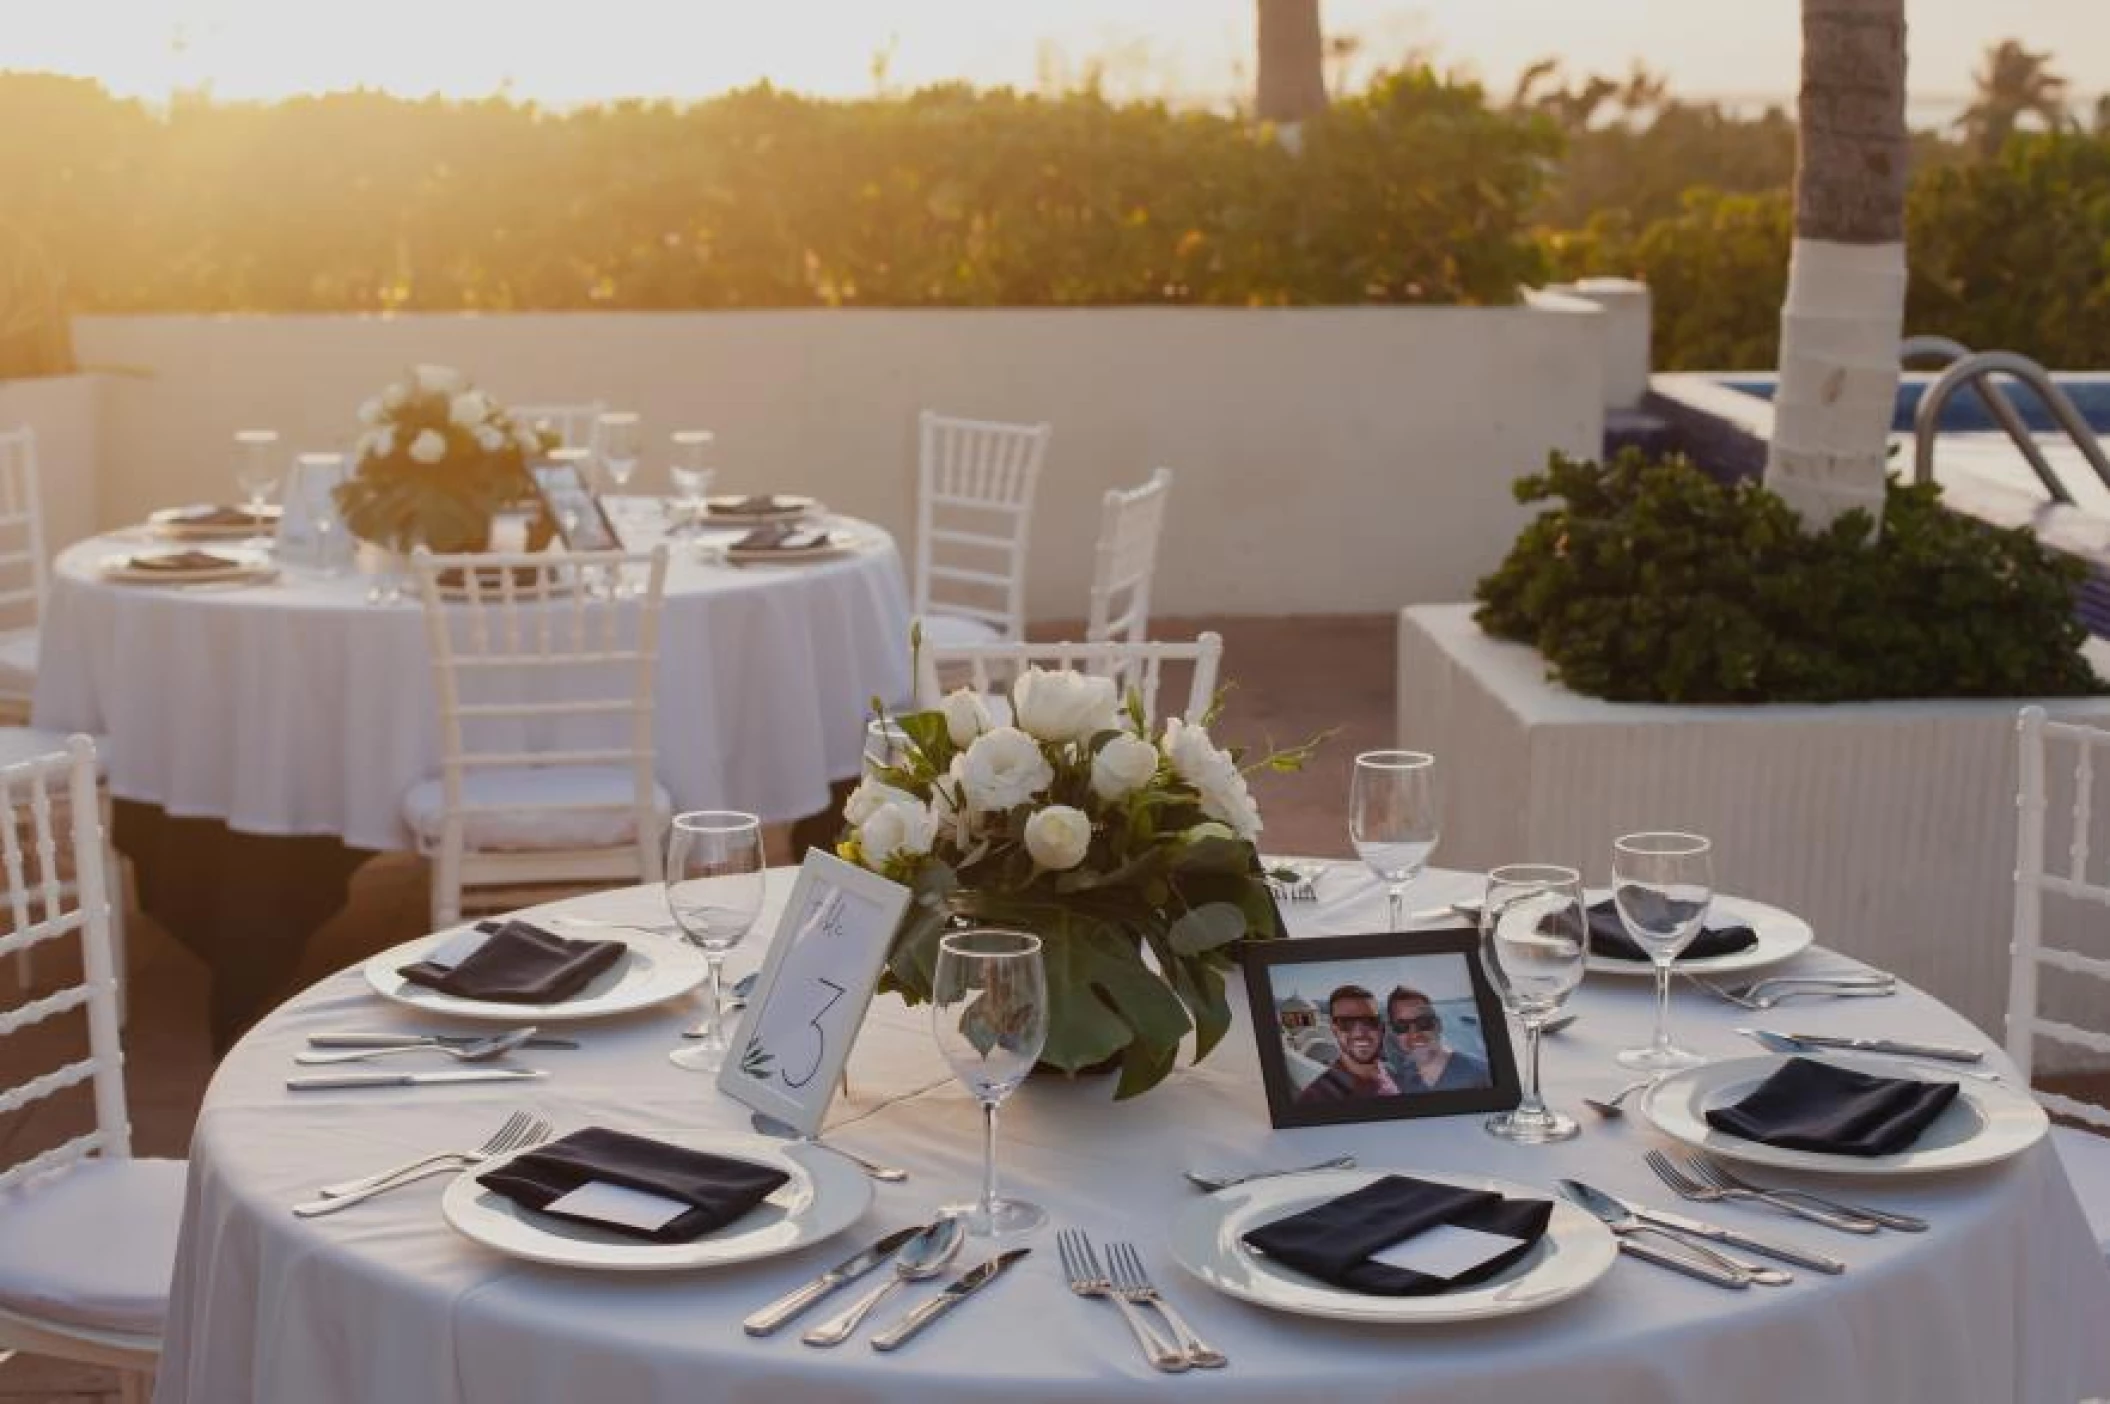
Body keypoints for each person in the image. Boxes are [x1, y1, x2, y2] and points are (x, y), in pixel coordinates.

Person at [1294, 985, 1402, 1103]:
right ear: (1334, 1030)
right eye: (1346, 1023)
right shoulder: (1316, 1097)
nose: (1360, 1032)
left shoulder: (1390, 1072)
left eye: (1370, 1021)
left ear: (1381, 1027)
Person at [1383, 985, 1492, 1093]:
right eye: (1401, 1026)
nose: (1414, 1034)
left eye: (1423, 1023)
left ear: (1438, 1025)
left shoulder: (1481, 1074)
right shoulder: (1400, 1081)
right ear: (1393, 1032)